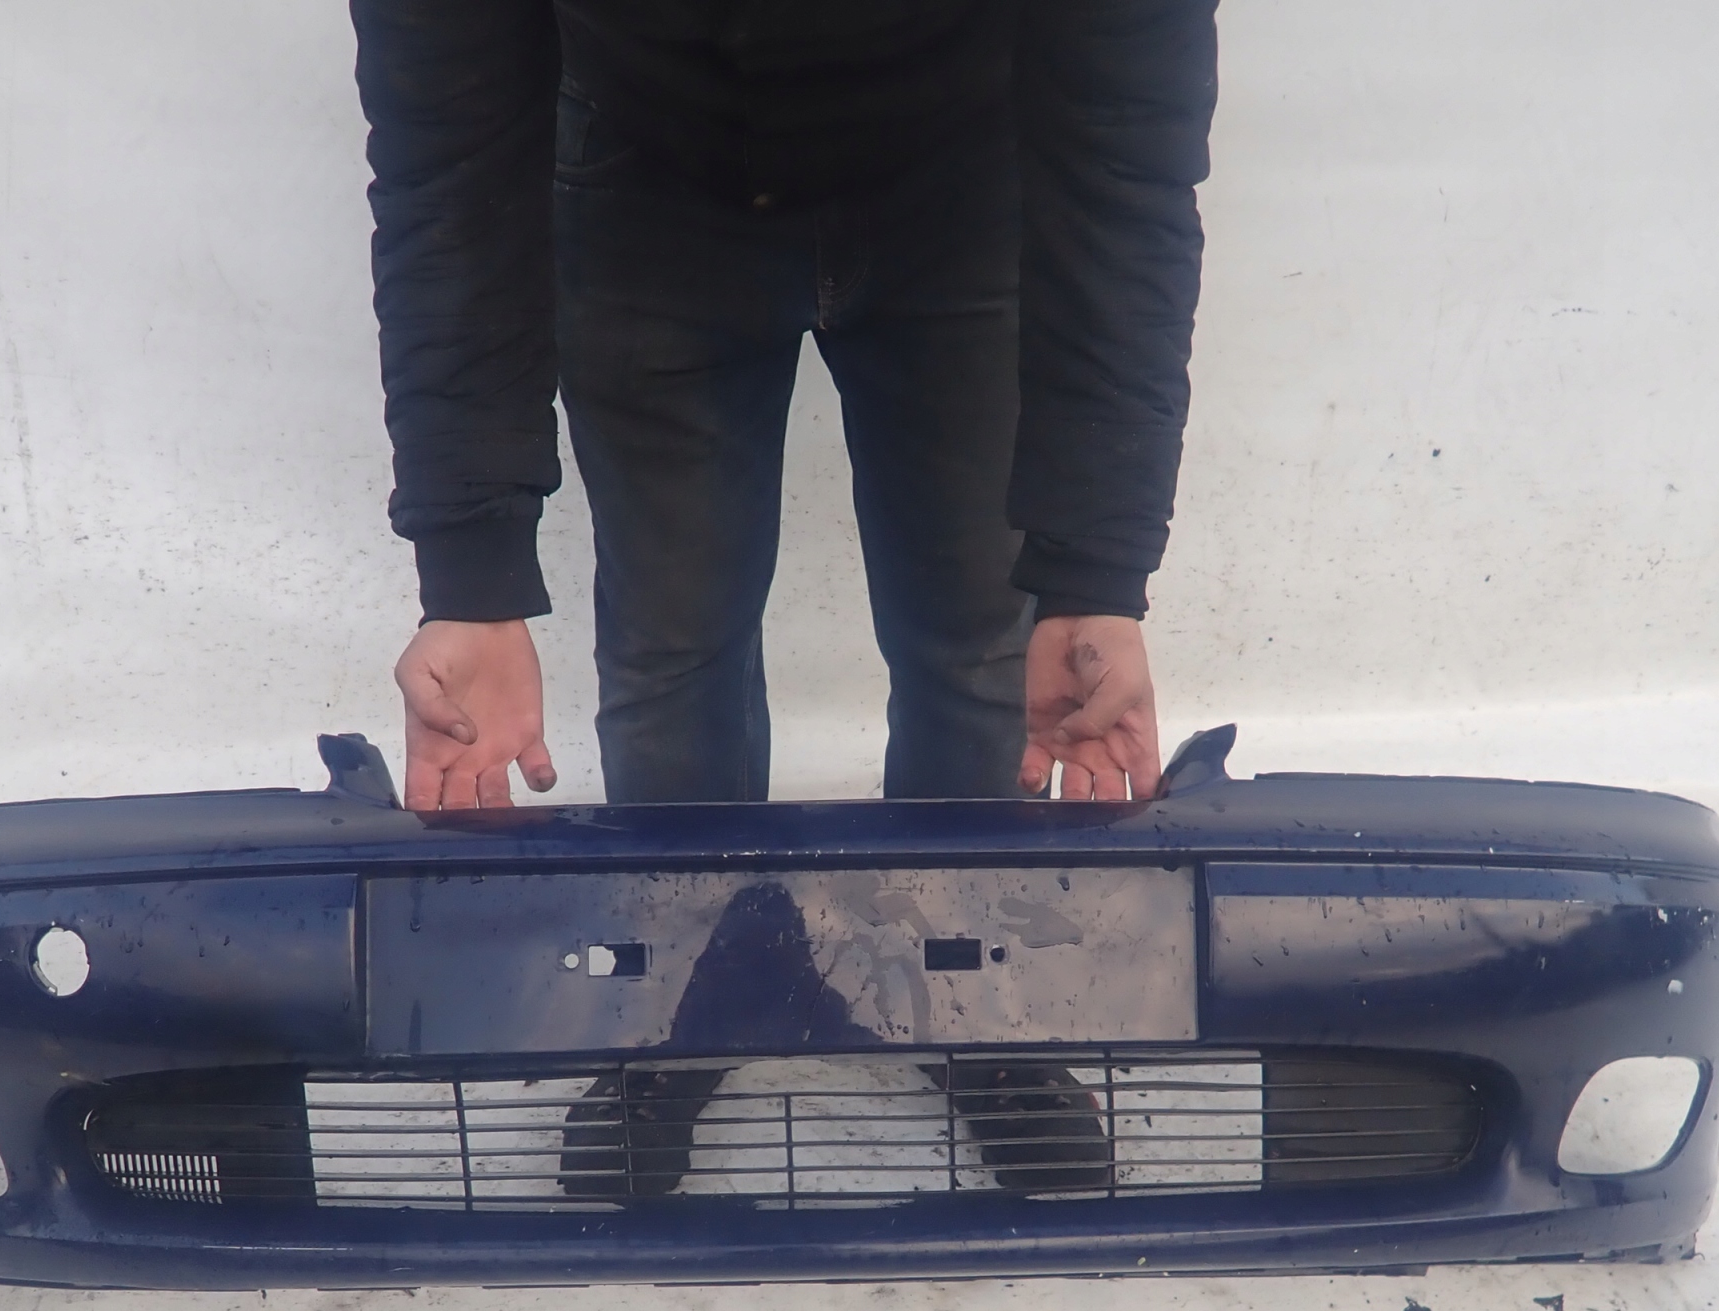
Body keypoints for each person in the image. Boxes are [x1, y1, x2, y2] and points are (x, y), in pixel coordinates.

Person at [350, 0, 1218, 1193]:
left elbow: (1129, 152)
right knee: (672, 647)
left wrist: (1093, 570)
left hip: (967, 182)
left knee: (982, 644)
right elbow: (446, 158)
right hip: (646, 183)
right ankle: (687, 993)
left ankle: (963, 989)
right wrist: (471, 577)